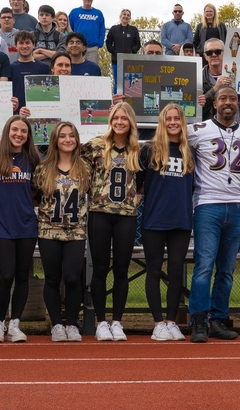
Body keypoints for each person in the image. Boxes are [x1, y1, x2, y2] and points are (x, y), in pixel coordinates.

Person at [187, 85, 240, 342]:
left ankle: (218, 318)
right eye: (223, 98)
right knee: (204, 266)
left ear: (238, 104)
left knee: (226, 269)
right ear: (214, 103)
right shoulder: (198, 130)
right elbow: (168, 135)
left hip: (237, 205)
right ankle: (198, 320)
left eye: (233, 99)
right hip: (207, 204)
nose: (228, 102)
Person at [83, 102, 142, 341]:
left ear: (130, 122)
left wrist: (138, 196)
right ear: (110, 120)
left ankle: (117, 320)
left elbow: (146, 177)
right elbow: (71, 163)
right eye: (116, 118)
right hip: (99, 213)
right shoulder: (95, 145)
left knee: (121, 269)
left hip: (126, 216)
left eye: (124, 118)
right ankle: (100, 321)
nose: (119, 122)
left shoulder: (138, 149)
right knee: (99, 268)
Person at [138, 103, 194, 341]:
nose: (173, 122)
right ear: (162, 122)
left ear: (183, 122)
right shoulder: (148, 150)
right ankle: (158, 322)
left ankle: (172, 321)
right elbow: (138, 185)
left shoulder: (190, 151)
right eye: (168, 118)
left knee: (175, 271)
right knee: (153, 270)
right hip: (154, 220)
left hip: (181, 220)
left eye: (177, 118)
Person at [35, 121, 90, 342]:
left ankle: (72, 323)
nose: (67, 139)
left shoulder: (85, 168)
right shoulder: (43, 169)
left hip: (76, 231)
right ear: (55, 140)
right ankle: (56, 324)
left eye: (71, 136)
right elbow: (34, 197)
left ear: (76, 139)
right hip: (49, 230)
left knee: (72, 278)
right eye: (62, 136)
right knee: (52, 278)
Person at [0, 115, 40, 343]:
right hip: (2, 224)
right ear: (8, 131)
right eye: (15, 130)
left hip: (26, 224)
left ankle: (15, 325)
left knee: (22, 276)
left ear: (28, 136)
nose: (19, 134)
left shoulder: (33, 158)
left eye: (24, 131)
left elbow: (40, 188)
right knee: (6, 275)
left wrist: (32, 203)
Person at [68, 0, 105, 64]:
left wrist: (98, 45)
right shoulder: (74, 12)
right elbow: (69, 29)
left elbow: (102, 30)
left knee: (92, 72)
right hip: (77, 47)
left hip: (92, 48)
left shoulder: (98, 13)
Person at [104, 8, 141, 80]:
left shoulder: (133, 29)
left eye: (128, 15)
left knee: (129, 82)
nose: (126, 16)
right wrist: (114, 51)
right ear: (120, 16)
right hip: (116, 60)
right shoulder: (114, 29)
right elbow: (108, 42)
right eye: (124, 14)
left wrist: (132, 51)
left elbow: (137, 44)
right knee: (118, 82)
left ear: (130, 18)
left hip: (130, 61)